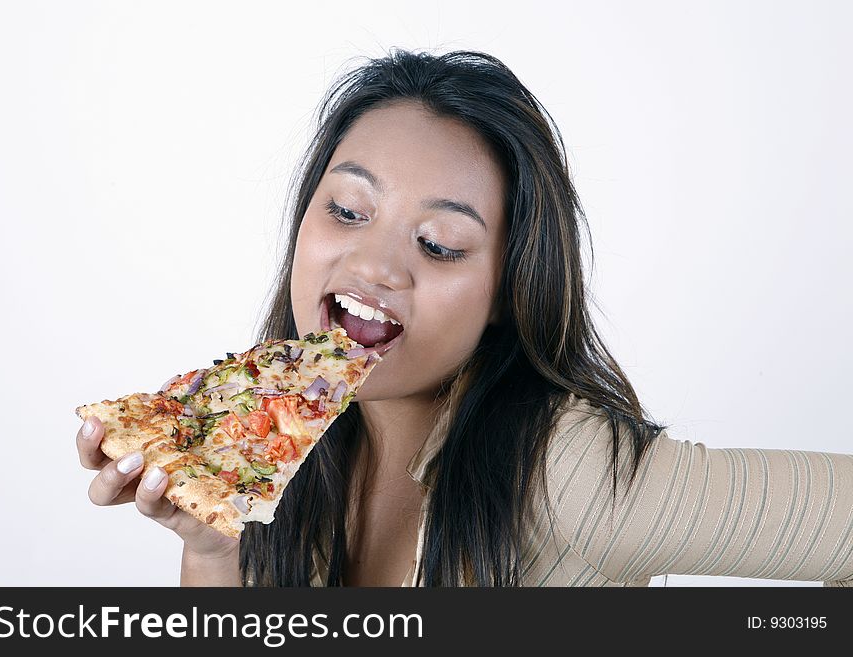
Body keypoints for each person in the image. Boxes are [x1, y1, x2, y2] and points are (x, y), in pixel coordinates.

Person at [76, 48, 853, 587]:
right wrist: (214, 555)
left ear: (506, 292)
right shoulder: (285, 450)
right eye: (347, 208)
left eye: (440, 244)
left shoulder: (560, 468)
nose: (375, 264)